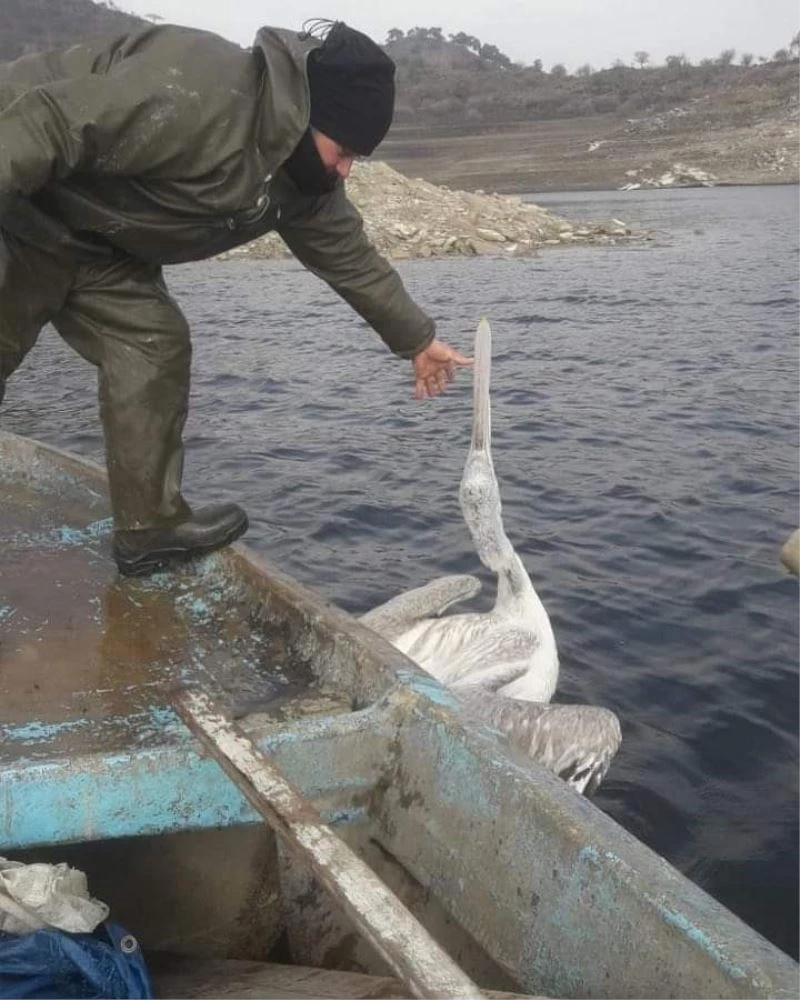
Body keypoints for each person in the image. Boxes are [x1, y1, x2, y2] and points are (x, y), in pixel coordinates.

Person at [0, 19, 471, 576]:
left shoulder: (304, 184)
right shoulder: (200, 90)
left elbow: (351, 258)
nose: (344, 169)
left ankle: (149, 529)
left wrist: (417, 340)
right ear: (306, 115)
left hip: (98, 240)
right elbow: (45, 124)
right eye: (342, 149)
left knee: (154, 347)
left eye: (355, 159)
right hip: (25, 199)